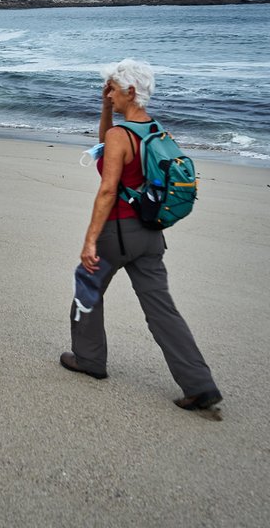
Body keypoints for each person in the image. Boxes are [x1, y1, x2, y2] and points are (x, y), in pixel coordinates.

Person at [60, 59, 222, 411]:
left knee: (86, 291)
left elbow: (107, 190)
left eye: (113, 91)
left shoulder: (121, 136)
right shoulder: (157, 132)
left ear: (130, 91)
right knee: (162, 310)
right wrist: (104, 107)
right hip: (151, 235)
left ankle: (89, 360)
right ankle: (199, 383)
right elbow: (106, 145)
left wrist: (90, 240)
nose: (110, 96)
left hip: (117, 233)